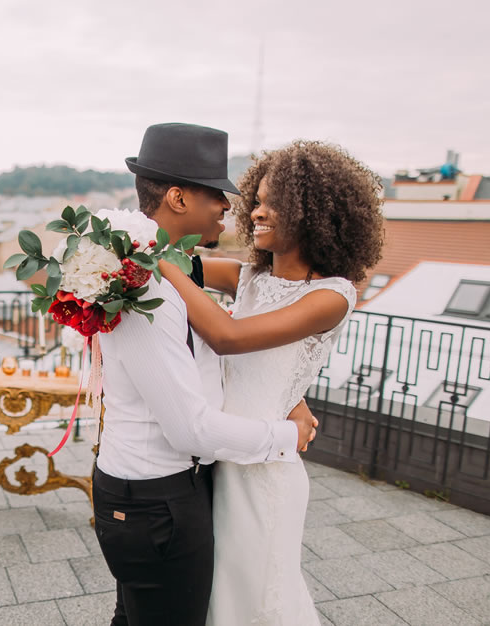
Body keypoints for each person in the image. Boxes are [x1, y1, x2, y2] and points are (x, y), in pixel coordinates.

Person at [93, 123, 317, 626]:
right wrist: (288, 434)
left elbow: (215, 354)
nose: (228, 207)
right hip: (157, 499)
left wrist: (288, 390)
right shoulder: (142, 288)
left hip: (167, 490)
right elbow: (190, 428)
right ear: (176, 197)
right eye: (218, 194)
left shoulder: (173, 268)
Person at [158, 140, 384, 624]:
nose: (256, 211)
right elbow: (175, 257)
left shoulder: (332, 295)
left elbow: (228, 336)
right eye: (256, 200)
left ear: (313, 213)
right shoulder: (248, 278)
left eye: (271, 202)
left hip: (265, 474)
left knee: (259, 599)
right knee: (222, 597)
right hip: (221, 457)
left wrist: (162, 266)